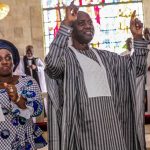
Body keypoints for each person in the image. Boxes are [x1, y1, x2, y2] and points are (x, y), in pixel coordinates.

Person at [45, 3, 149, 150]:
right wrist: (65, 23)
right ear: (71, 30)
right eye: (81, 23)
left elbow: (136, 71)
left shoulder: (107, 57)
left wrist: (137, 38)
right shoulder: (66, 57)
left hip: (113, 131)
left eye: (90, 23)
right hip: (83, 133)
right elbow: (52, 65)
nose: (88, 26)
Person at [0, 39, 47, 150]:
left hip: (23, 141)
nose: (4, 61)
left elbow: (38, 110)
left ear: (14, 61)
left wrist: (18, 99)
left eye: (8, 58)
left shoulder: (27, 82)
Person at [14, 45, 47, 114]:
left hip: (37, 84)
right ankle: (29, 113)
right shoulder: (21, 60)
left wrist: (36, 68)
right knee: (27, 98)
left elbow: (44, 69)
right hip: (26, 83)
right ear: (26, 51)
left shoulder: (37, 60)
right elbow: (18, 70)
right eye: (27, 51)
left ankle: (39, 113)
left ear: (33, 52)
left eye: (30, 52)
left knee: (38, 98)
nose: (29, 53)